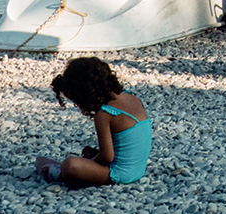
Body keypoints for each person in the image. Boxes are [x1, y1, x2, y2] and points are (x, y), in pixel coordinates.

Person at [34, 58, 150, 189]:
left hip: (119, 173)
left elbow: (107, 157)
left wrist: (91, 161)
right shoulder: (132, 98)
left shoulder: (105, 114)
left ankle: (60, 175)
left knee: (67, 165)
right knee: (80, 153)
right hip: (138, 170)